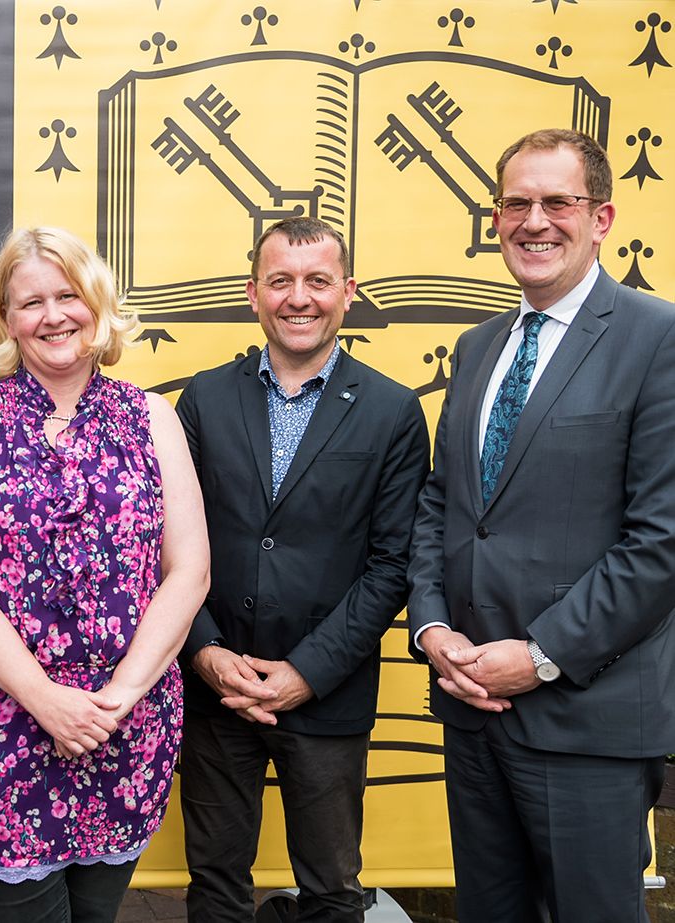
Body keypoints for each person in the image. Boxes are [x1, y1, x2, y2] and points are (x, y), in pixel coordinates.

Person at [0, 226, 209, 923]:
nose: (53, 315)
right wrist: (45, 699)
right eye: (30, 301)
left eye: (68, 294)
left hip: (123, 727)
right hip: (1, 722)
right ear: (7, 321)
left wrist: (119, 697)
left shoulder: (153, 417)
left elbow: (189, 571)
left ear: (97, 301)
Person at [407, 129, 675, 922]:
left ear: (602, 218)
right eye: (515, 203)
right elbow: (441, 507)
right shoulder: (479, 346)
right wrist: (430, 628)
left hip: (587, 722)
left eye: (557, 201)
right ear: (495, 221)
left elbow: (660, 541)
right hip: (470, 709)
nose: (535, 221)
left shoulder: (657, 338)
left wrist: (542, 655)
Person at [174, 216, 429, 922]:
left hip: (327, 692)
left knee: (333, 890)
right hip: (216, 691)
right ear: (252, 292)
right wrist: (205, 652)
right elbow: (168, 544)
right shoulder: (203, 399)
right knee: (215, 885)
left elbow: (392, 564)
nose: (299, 297)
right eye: (281, 280)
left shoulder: (393, 411)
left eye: (318, 280)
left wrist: (306, 671)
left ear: (348, 292)